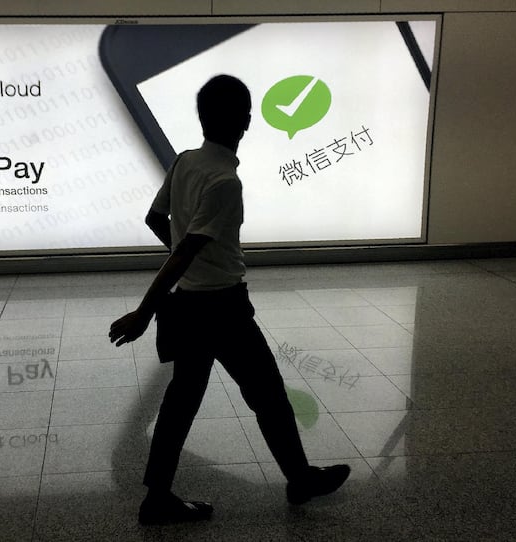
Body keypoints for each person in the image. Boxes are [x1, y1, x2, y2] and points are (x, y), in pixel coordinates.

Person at [108, 74, 350, 525]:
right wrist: (145, 310)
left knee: (181, 404)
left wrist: (190, 261)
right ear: (247, 121)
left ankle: (158, 496)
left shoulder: (185, 162)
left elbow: (156, 219)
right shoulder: (224, 181)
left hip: (188, 306)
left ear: (202, 119)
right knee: (269, 397)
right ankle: (298, 479)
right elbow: (183, 249)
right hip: (223, 309)